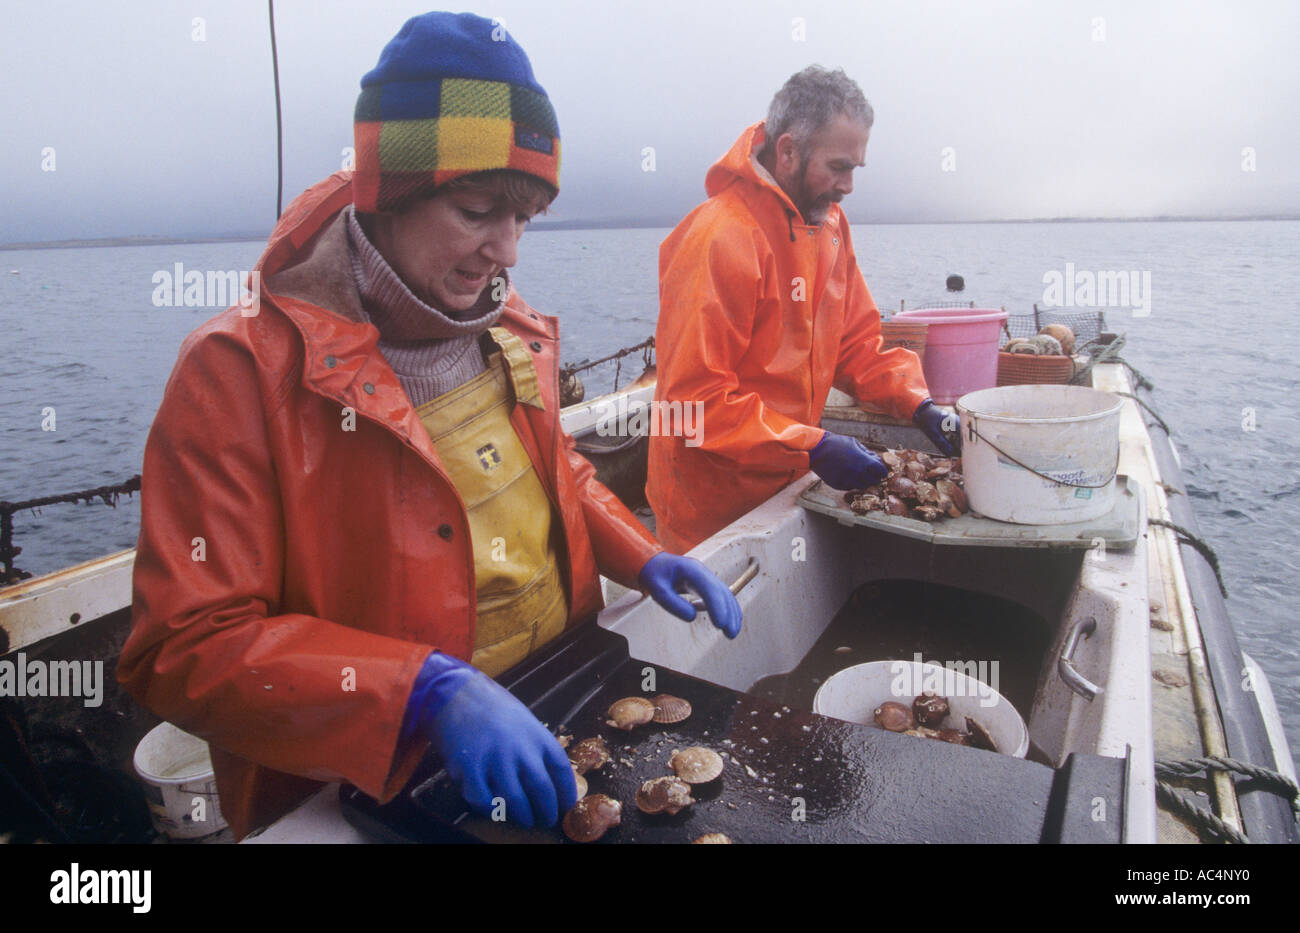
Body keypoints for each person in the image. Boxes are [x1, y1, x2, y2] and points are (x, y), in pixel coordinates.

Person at [117, 12, 740, 841]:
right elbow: (183, 647)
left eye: (526, 218)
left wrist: (641, 549)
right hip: (369, 789)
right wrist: (418, 689)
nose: (507, 250)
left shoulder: (510, 330)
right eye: (480, 209)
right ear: (389, 192)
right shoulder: (235, 372)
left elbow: (557, 475)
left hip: (559, 703)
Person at [647, 66, 959, 553]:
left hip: (789, 486)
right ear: (788, 150)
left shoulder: (830, 226)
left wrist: (920, 405)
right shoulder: (720, 238)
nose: (849, 185)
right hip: (709, 514)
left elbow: (854, 344)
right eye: (838, 167)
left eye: (855, 168)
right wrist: (812, 444)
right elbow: (692, 404)